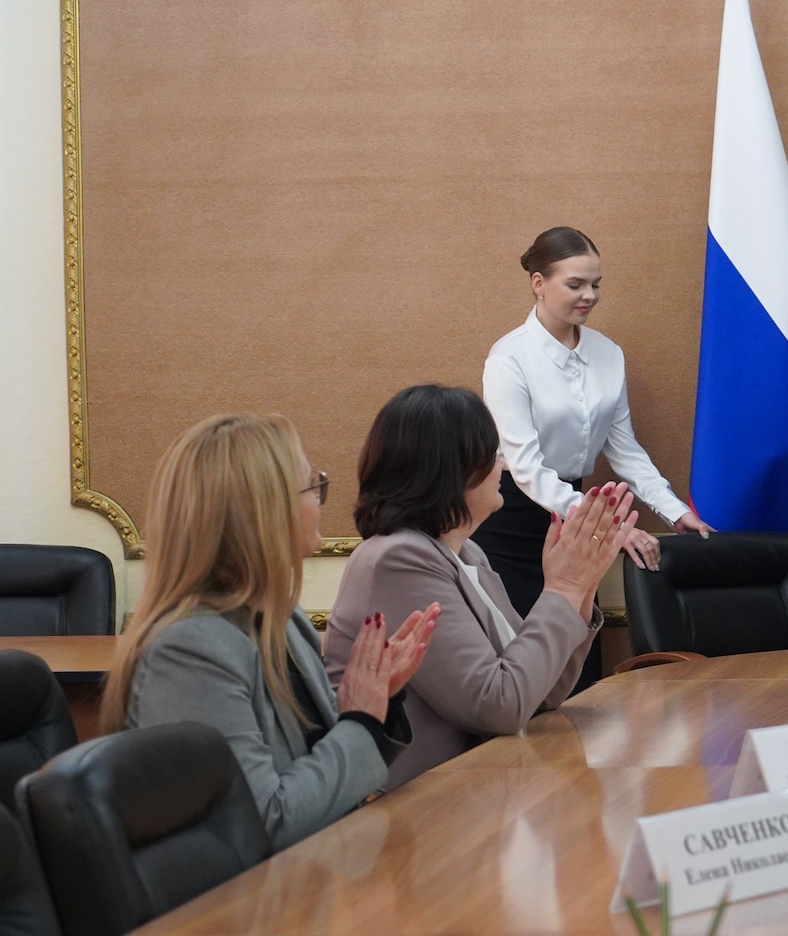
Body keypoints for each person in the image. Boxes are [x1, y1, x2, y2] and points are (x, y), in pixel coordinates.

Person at [102, 414, 439, 851]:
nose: (320, 499)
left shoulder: (281, 617)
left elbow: (323, 769)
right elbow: (262, 826)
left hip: (315, 873)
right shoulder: (188, 651)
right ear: (263, 514)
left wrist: (376, 699)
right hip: (244, 893)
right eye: (312, 486)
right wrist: (362, 721)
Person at [326, 386, 635, 789]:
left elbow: (539, 694)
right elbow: (499, 705)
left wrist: (581, 586)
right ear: (457, 470)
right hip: (417, 809)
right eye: (494, 454)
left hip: (480, 791)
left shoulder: (467, 553)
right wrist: (564, 586)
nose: (502, 466)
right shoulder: (397, 558)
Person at [476, 227, 711, 684]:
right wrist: (607, 526)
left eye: (596, 284)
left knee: (578, 658)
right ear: (539, 283)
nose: (589, 296)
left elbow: (624, 448)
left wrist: (674, 510)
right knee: (525, 665)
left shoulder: (608, 353)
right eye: (575, 284)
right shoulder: (509, 359)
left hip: (576, 516)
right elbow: (525, 467)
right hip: (513, 518)